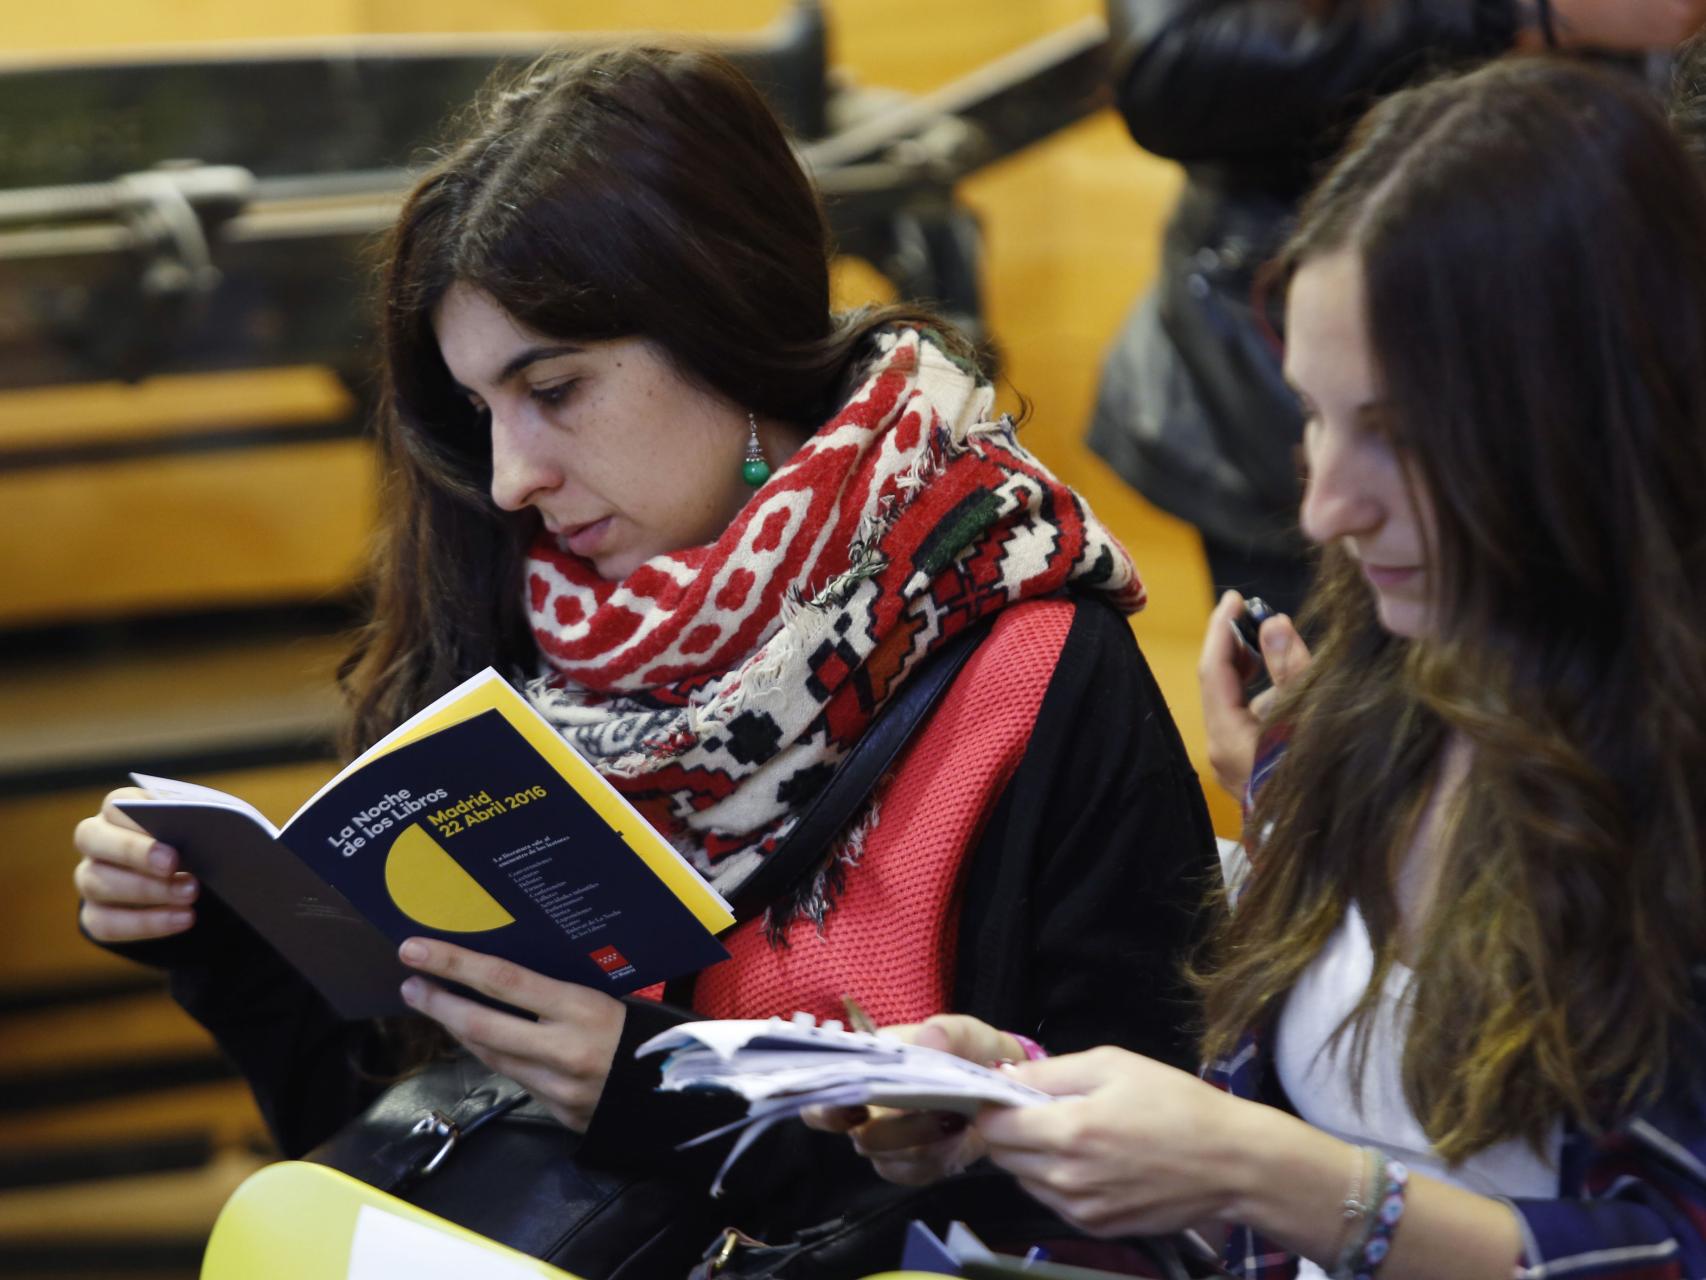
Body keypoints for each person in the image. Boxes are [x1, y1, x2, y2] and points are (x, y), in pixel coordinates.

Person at [69, 43, 1216, 1273]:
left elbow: (1144, 1196)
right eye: (480, 412)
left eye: (553, 388)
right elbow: (426, 1156)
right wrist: (224, 941)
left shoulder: (1032, 655)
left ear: (723, 324)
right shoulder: (525, 627)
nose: (512, 474)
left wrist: (662, 1101)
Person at [811, 56, 1706, 1278]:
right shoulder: (1385, 694)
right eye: (1314, 415)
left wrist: (1274, 1174)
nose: (1328, 504)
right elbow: (1300, 1126)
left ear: (1582, 421)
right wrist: (1020, 1105)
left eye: (1397, 435)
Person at [1091, 0, 1706, 617]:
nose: (1327, 509)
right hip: (1289, 357)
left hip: (1615, 361)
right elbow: (1165, 64)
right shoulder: (1344, 471)